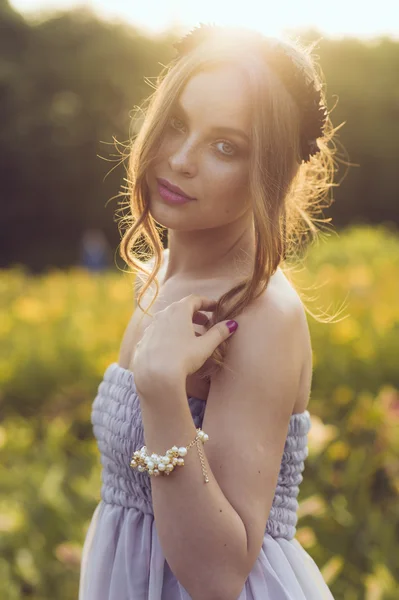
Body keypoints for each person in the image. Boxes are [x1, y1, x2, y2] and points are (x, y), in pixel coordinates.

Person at [79, 24, 337, 599]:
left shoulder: (260, 312)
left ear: (273, 172)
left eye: (227, 147)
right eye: (176, 123)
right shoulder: (161, 274)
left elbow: (219, 577)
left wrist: (163, 391)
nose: (181, 159)